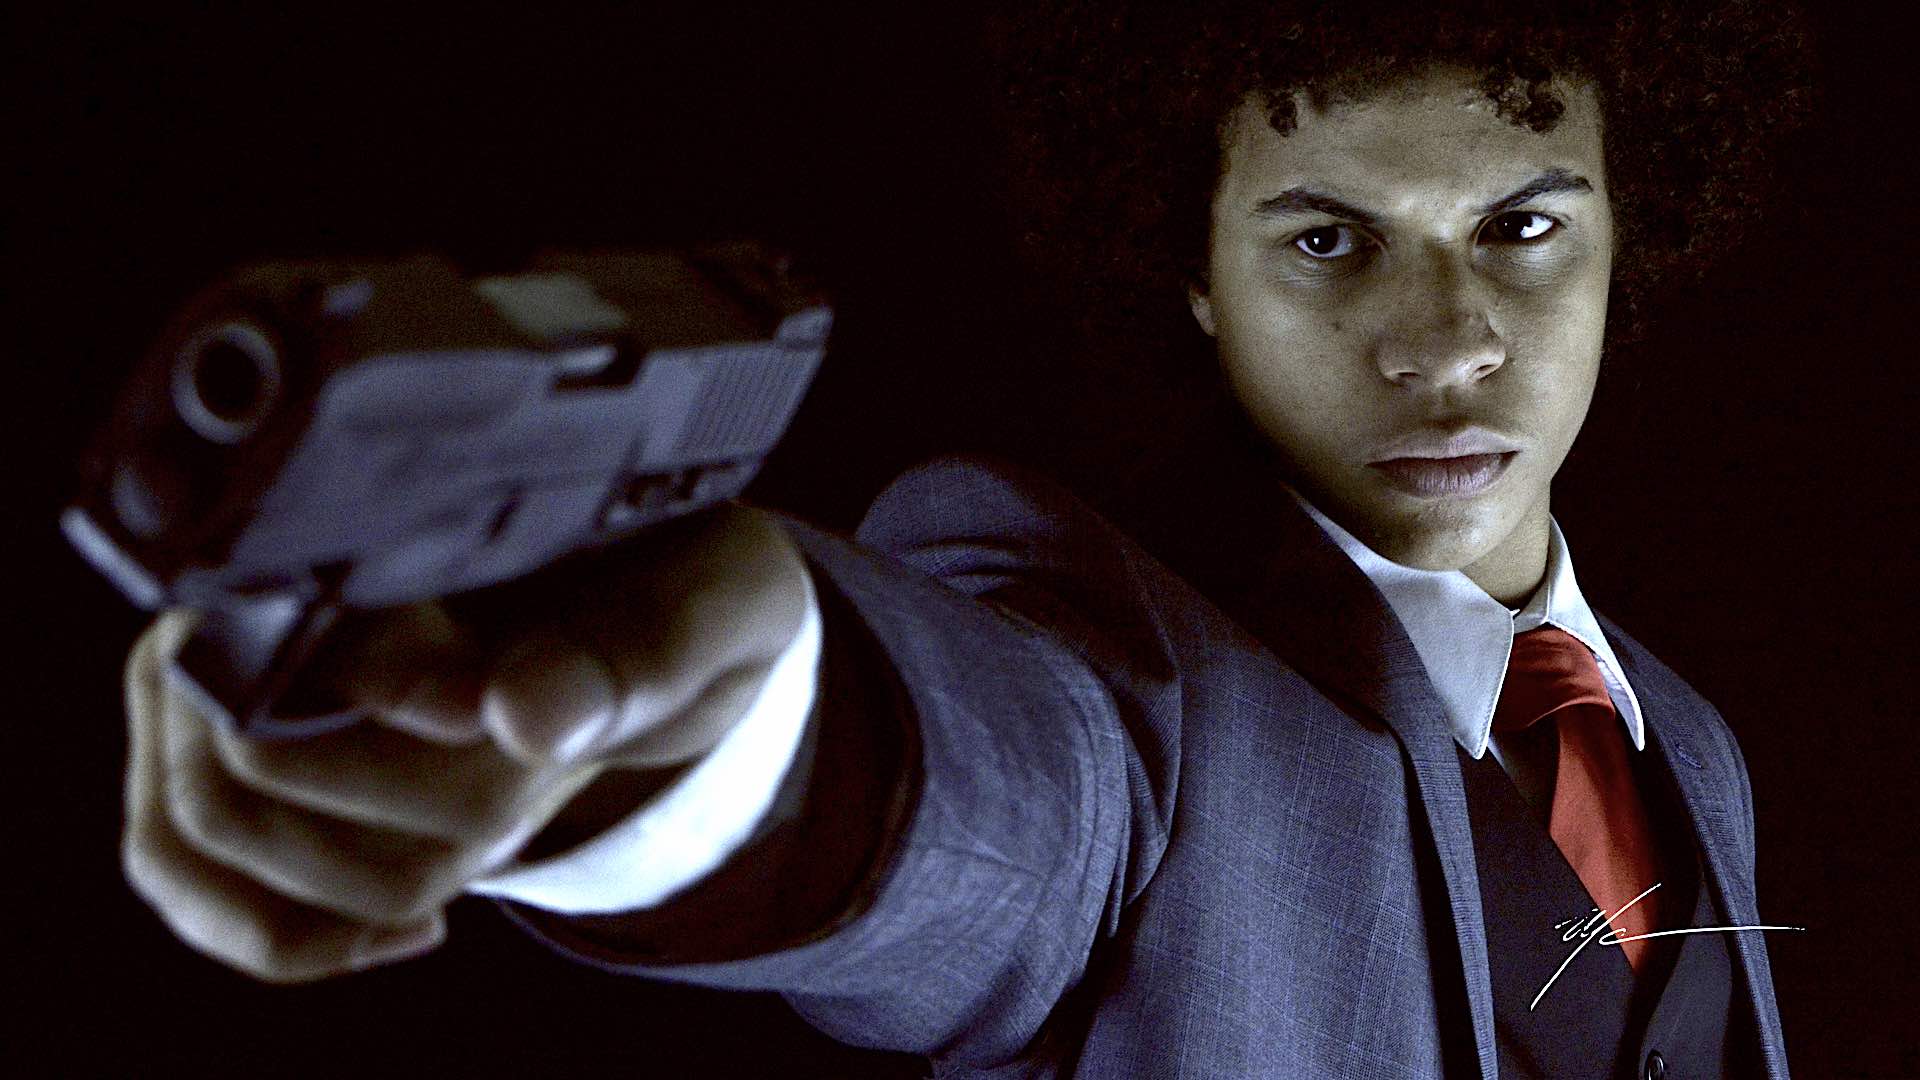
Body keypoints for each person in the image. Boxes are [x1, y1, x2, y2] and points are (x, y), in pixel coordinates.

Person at [118, 2, 1815, 1076]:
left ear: (1631, 232)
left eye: (1521, 228)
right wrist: (704, 738)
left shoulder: (1695, 753)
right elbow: (989, 800)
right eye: (1326, 242)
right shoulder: (1115, 650)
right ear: (1197, 279)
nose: (1444, 343)